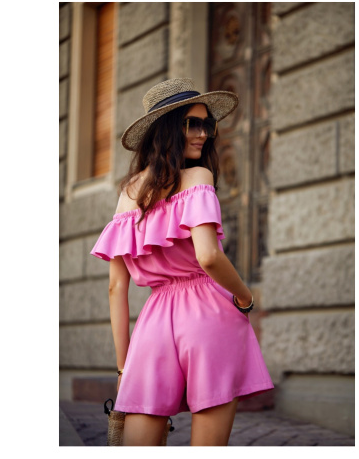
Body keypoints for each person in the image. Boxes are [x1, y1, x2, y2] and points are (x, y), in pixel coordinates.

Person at [91, 78, 274, 446]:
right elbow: (208, 256)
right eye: (193, 124)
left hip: (153, 322)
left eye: (207, 124)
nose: (203, 134)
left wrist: (124, 366)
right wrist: (244, 297)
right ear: (167, 128)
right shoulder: (199, 178)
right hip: (208, 313)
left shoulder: (127, 195)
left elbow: (115, 288)